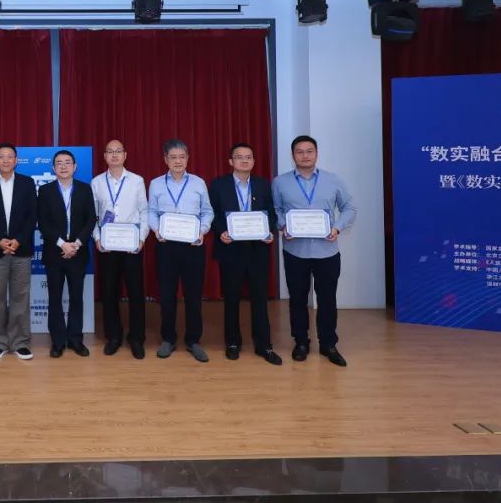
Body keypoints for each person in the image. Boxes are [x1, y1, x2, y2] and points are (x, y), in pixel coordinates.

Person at [272, 135, 357, 367]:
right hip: (295, 251)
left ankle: (328, 344)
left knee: (327, 299)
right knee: (297, 299)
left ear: (316, 153)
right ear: (293, 155)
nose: (305, 156)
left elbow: (349, 208)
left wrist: (337, 228)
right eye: (300, 152)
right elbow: (276, 210)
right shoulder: (280, 182)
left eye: (309, 151)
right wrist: (283, 226)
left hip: (326, 251)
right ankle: (301, 342)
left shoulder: (333, 180)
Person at [209, 143, 282, 366]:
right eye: (239, 157)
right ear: (231, 161)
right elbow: (211, 214)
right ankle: (232, 342)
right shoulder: (218, 184)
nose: (244, 160)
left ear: (253, 161)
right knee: (231, 298)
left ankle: (264, 345)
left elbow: (272, 214)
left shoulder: (263, 184)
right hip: (230, 249)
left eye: (248, 157)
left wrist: (269, 230)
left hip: (257, 250)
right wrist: (221, 231)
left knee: (260, 299)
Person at [147, 138, 214, 362]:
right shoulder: (156, 183)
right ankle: (168, 338)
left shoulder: (198, 183)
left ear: (188, 159)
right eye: (173, 157)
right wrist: (157, 230)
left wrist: (202, 231)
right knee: (167, 295)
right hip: (166, 245)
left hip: (193, 246)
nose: (178, 161)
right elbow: (151, 211)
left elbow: (207, 212)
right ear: (165, 160)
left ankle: (193, 340)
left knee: (193, 295)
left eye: (182, 157)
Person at [0, 144, 38, 361]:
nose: (5, 160)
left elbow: (32, 215)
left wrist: (18, 240)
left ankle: (20, 342)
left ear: (16, 160)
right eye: (1, 157)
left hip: (22, 249)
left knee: (20, 297)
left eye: (9, 156)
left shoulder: (27, 183)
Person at [91, 139, 149, 359]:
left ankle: (137, 338)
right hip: (107, 246)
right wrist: (97, 238)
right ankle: (113, 336)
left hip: (132, 245)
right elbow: (93, 215)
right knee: (109, 292)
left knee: (136, 292)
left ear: (125, 155)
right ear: (105, 156)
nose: (114, 155)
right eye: (110, 151)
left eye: (118, 151)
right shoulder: (97, 182)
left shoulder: (136, 180)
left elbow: (144, 212)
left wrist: (141, 238)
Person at [37, 149, 97, 357]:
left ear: (75, 166)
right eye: (59, 163)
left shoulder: (85, 189)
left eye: (67, 162)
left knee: (76, 297)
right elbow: (43, 222)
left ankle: (76, 340)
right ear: (53, 168)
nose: (63, 166)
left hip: (78, 253)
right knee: (54, 298)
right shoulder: (45, 191)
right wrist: (62, 244)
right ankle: (58, 341)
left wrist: (76, 244)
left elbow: (91, 220)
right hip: (55, 253)